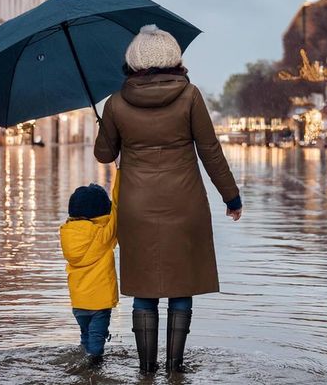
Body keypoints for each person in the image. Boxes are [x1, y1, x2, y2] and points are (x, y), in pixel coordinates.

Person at [94, 24, 242, 374]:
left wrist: (107, 124)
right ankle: (175, 370)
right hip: (185, 203)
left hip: (137, 208)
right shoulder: (190, 96)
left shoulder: (115, 103)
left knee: (145, 289)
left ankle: (146, 372)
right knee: (181, 286)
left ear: (134, 60)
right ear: (174, 57)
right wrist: (231, 196)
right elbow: (211, 151)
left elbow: (104, 154)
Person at [59, 170, 120, 365]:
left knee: (86, 337)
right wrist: (120, 171)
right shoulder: (102, 237)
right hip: (100, 304)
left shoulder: (66, 234)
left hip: (78, 304)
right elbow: (118, 208)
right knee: (95, 347)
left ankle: (84, 362)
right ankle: (92, 367)